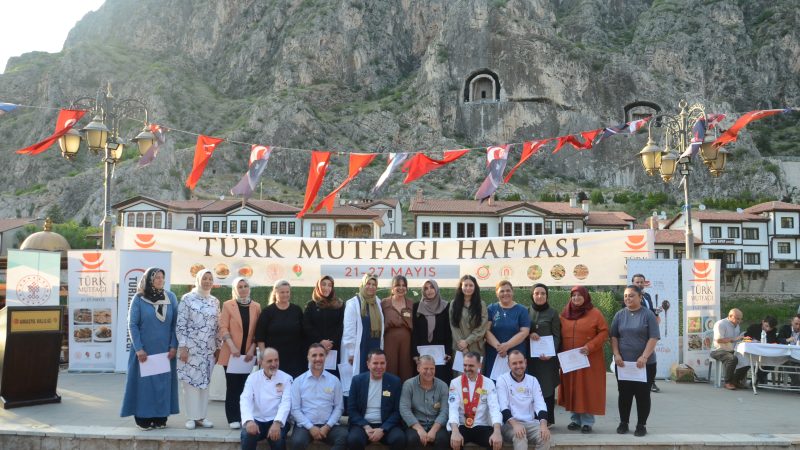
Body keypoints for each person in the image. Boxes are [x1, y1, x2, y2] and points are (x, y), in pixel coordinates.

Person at [120, 267, 179, 430]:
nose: (160, 280)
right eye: (156, 277)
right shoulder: (139, 298)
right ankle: (143, 417)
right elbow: (132, 324)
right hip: (144, 351)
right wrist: (139, 348)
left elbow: (176, 325)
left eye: (162, 277)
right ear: (149, 280)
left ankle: (160, 416)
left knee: (162, 384)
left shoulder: (171, 297)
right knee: (144, 385)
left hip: (165, 351)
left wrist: (174, 345)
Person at [610, 285, 660, 437]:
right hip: (624, 364)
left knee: (642, 395)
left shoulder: (648, 315)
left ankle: (641, 425)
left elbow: (654, 337)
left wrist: (644, 356)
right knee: (624, 394)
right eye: (625, 296)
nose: (628, 298)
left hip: (645, 364)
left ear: (640, 297)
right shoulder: (619, 315)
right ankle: (623, 423)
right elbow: (614, 337)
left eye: (631, 295)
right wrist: (616, 354)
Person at [558, 285, 608, 433]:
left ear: (586, 297)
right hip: (569, 359)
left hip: (589, 359)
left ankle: (587, 422)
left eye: (580, 295)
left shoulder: (595, 313)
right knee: (573, 388)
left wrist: (590, 346)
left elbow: (604, 332)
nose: (576, 298)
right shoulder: (565, 313)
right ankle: (575, 420)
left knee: (587, 388)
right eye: (573, 295)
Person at [177, 269, 220, 430]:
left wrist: (218, 346)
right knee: (190, 383)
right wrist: (183, 347)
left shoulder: (214, 301)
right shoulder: (187, 299)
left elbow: (217, 325)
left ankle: (202, 417)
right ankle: (191, 417)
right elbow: (181, 324)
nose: (207, 281)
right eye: (204, 278)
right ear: (198, 280)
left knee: (205, 383)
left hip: (208, 350)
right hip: (191, 349)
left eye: (210, 278)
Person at [218, 277, 262, 429]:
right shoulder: (228, 305)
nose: (243, 289)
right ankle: (233, 418)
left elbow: (259, 330)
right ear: (235, 289)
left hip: (248, 355)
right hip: (231, 355)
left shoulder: (256, 306)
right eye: (240, 286)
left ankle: (245, 417)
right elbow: (223, 327)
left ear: (249, 288)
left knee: (246, 387)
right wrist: (232, 346)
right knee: (232, 387)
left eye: (245, 286)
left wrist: (252, 349)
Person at [290, 343, 348, 450]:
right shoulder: (298, 381)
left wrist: (327, 426)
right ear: (308, 357)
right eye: (314, 355)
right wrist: (310, 427)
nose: (318, 359)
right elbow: (295, 410)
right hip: (305, 426)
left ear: (325, 357)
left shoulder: (334, 380)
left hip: (329, 426)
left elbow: (339, 407)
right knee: (297, 442)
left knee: (345, 437)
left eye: (321, 355)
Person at [346, 349, 406, 450]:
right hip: (362, 424)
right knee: (354, 440)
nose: (379, 367)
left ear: (386, 364)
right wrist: (366, 426)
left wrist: (383, 429)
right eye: (375, 363)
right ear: (368, 364)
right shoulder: (357, 381)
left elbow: (397, 412)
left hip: (386, 424)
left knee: (399, 439)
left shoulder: (395, 382)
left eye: (382, 363)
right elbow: (351, 409)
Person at [447, 351, 503, 450]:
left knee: (496, 443)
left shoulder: (489, 383)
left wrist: (497, 431)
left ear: (479, 365)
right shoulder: (455, 383)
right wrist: (455, 431)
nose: (467, 369)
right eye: (465, 365)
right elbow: (453, 408)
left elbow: (494, 408)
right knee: (453, 442)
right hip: (461, 425)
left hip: (481, 425)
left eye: (471, 366)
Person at [240, 347, 293, 450]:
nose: (274, 364)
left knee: (278, 441)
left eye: (276, 360)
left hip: (277, 420)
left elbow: (286, 402)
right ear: (260, 362)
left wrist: (277, 422)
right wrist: (249, 421)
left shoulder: (287, 378)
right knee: (247, 436)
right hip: (257, 420)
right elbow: (245, 399)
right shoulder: (252, 378)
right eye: (269, 361)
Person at [496, 350, 551, 450]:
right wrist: (515, 425)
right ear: (508, 365)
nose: (518, 366)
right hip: (510, 424)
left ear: (525, 362)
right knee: (520, 437)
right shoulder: (502, 380)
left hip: (530, 423)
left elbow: (540, 405)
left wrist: (543, 425)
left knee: (545, 437)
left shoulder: (533, 380)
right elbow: (502, 407)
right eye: (514, 363)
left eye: (521, 362)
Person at [255, 279, 306, 378]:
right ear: (275, 293)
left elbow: (303, 334)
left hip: (295, 359)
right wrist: (264, 357)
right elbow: (260, 338)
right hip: (274, 360)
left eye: (287, 292)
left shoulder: (297, 310)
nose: (285, 294)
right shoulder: (267, 312)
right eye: (282, 292)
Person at [399, 355, 450, 450]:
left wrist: (434, 430)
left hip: (436, 424)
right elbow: (404, 408)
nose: (429, 372)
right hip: (415, 424)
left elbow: (445, 410)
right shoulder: (408, 384)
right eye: (425, 368)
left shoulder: (443, 386)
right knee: (413, 439)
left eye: (432, 369)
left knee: (443, 439)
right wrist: (419, 429)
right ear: (418, 368)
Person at [527, 283, 560, 427]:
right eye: (536, 293)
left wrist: (551, 354)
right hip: (530, 358)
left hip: (547, 360)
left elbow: (557, 336)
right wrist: (529, 333)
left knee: (546, 388)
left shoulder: (553, 313)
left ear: (547, 296)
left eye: (543, 293)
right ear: (532, 295)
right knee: (531, 387)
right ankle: (533, 418)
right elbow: (521, 330)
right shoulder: (526, 311)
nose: (539, 296)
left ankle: (548, 420)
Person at [342, 274, 385, 382]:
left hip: (375, 346)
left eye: (374, 284)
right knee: (360, 378)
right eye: (368, 284)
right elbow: (349, 329)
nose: (371, 287)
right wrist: (351, 352)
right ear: (362, 284)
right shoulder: (353, 303)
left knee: (374, 378)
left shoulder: (378, 302)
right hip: (360, 349)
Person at [485, 281, 531, 379]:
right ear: (497, 293)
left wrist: (507, 346)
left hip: (516, 357)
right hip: (495, 355)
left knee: (515, 386)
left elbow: (524, 332)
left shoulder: (522, 310)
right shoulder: (491, 308)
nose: (505, 293)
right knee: (494, 385)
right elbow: (486, 331)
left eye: (508, 290)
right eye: (502, 291)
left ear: (512, 292)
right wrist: (499, 347)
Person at [411, 279, 452, 382]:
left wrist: (448, 351)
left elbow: (449, 331)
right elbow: (414, 332)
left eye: (432, 287)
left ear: (436, 289)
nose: (429, 290)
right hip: (422, 353)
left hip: (441, 355)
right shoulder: (416, 307)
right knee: (423, 381)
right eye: (426, 288)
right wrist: (415, 354)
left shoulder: (446, 306)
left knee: (441, 381)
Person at [303, 276, 344, 376]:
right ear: (318, 286)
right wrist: (320, 342)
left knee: (332, 380)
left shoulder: (339, 305)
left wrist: (330, 343)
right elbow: (307, 326)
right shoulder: (311, 305)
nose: (327, 288)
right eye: (323, 284)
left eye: (330, 285)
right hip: (315, 349)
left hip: (333, 350)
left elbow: (341, 326)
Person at [450, 275, 489, 368]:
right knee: (460, 378)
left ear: (475, 287)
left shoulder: (481, 304)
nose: (468, 288)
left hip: (477, 347)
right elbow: (454, 327)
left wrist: (467, 342)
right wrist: (463, 346)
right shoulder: (453, 304)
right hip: (459, 348)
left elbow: (482, 327)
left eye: (471, 285)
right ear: (461, 287)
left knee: (477, 378)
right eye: (465, 285)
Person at [631, 273, 661, 393]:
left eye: (641, 282)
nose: (639, 284)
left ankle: (651, 382)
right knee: (636, 356)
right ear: (633, 283)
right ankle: (634, 382)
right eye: (637, 282)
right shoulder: (629, 297)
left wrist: (656, 313)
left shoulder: (647, 296)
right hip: (637, 332)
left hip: (650, 332)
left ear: (644, 283)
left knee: (650, 355)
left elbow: (650, 311)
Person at [382, 275, 414, 381]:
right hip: (389, 340)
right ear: (392, 288)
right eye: (397, 285)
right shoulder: (384, 303)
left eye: (403, 285)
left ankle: (406, 394)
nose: (401, 288)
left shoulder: (411, 304)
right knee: (390, 366)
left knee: (406, 367)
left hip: (407, 341)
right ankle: (389, 394)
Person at [710, 308, 748, 390]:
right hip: (718, 350)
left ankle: (736, 381)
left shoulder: (737, 325)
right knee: (732, 358)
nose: (739, 321)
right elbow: (719, 340)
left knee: (747, 358)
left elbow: (736, 339)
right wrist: (734, 339)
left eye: (740, 319)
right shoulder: (721, 324)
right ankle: (727, 382)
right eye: (737, 318)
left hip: (732, 350)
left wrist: (743, 338)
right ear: (730, 316)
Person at [744, 315, 779, 384]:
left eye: (771, 328)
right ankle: (759, 379)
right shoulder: (753, 327)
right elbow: (745, 338)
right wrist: (754, 341)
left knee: (772, 363)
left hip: (766, 353)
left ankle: (757, 378)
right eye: (766, 326)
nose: (768, 329)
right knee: (751, 362)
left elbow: (773, 341)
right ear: (763, 322)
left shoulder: (773, 331)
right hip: (753, 351)